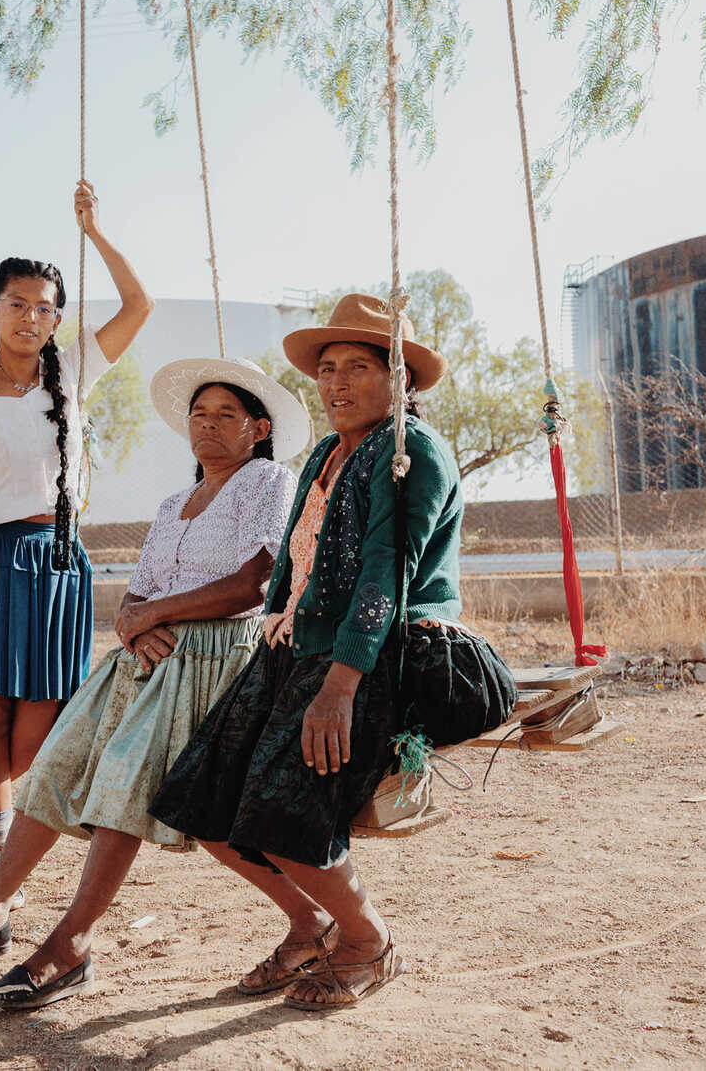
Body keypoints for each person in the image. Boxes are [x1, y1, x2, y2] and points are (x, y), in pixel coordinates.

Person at [0, 357, 310, 1011]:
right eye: (198, 415)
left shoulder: (270, 481)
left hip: (220, 661)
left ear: (258, 428)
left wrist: (157, 613)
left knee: (124, 778)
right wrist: (134, 622)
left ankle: (71, 947)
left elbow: (258, 583)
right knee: (59, 760)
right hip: (153, 656)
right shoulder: (176, 502)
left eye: (226, 416)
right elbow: (138, 595)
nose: (208, 426)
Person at [149, 293, 517, 1010]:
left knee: (286, 819)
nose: (337, 383)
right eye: (327, 369)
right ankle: (309, 924)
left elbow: (387, 571)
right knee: (201, 802)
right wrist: (272, 640)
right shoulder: (325, 452)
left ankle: (368, 940)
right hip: (290, 645)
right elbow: (294, 561)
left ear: (400, 379)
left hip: (372, 657)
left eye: (358, 366)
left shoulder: (414, 451)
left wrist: (342, 684)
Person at [0, 181, 152, 886]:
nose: (30, 317)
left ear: (56, 321)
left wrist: (95, 234)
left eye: (45, 308)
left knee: (36, 739)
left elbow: (138, 306)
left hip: (55, 564)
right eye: (16, 304)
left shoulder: (73, 373)